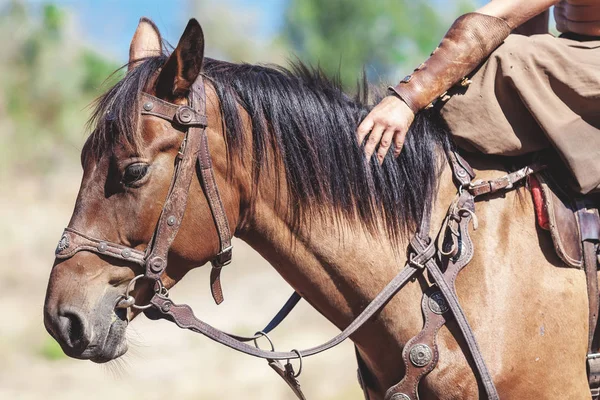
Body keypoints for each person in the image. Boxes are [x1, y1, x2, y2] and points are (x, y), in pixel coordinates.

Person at [357, 0, 600, 194]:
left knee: (508, 57)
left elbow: (497, 19)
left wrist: (407, 99)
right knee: (500, 52)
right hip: (572, 45)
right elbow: (526, 20)